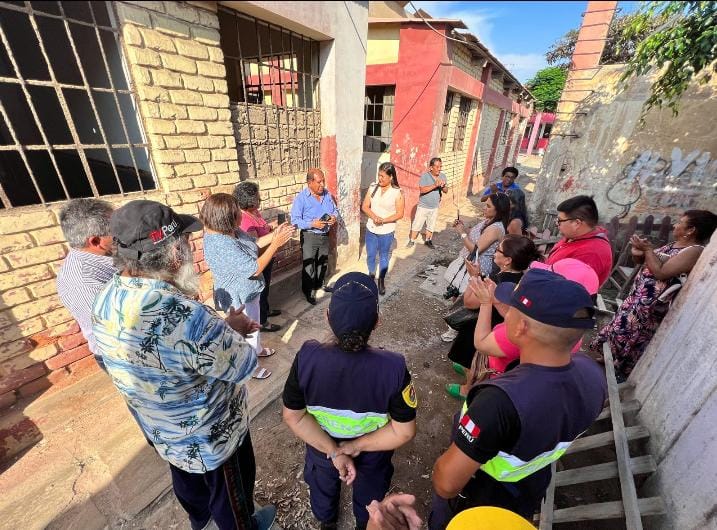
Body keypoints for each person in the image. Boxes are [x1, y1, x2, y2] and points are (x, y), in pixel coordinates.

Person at [92, 200, 276, 530]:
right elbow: (243, 363)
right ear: (176, 254)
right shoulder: (190, 317)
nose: (191, 248)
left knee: (192, 494)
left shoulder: (106, 297)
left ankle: (202, 523)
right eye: (187, 243)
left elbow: (168, 353)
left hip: (165, 433)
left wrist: (220, 329)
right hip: (213, 439)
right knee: (232, 504)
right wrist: (225, 329)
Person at [430, 269, 606, 529]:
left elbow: (446, 484)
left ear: (522, 326)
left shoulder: (499, 401)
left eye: (511, 309)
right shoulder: (592, 374)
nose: (507, 315)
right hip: (525, 492)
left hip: (477, 504)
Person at [282, 272, 417, 530]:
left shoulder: (307, 358)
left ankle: (327, 522)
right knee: (371, 496)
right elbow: (404, 431)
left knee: (322, 485)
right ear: (377, 322)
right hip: (373, 453)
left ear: (328, 317)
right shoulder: (393, 369)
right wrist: (356, 447)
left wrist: (334, 451)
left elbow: (293, 416)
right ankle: (365, 524)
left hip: (322, 448)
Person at [590, 209, 717, 381]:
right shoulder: (674, 245)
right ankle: (610, 359)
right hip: (639, 296)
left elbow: (661, 272)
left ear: (691, 230)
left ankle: (619, 370)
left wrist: (648, 249)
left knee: (635, 335)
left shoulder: (694, 251)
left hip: (651, 304)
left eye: (680, 222)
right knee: (623, 328)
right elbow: (647, 263)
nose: (675, 225)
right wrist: (638, 253)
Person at [202, 193, 294, 380]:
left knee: (254, 326)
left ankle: (257, 349)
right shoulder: (220, 244)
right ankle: (250, 367)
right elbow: (254, 269)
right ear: (225, 217)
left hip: (249, 291)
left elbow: (254, 243)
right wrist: (275, 244)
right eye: (237, 211)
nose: (241, 215)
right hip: (238, 297)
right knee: (245, 332)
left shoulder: (230, 231)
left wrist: (274, 235)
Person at [471, 258, 600, 384]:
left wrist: (485, 303)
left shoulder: (523, 335)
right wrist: (498, 302)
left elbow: (482, 344)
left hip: (497, 377)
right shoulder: (570, 331)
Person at [445, 235, 542, 399]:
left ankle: (468, 388)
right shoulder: (521, 279)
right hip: (499, 326)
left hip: (481, 325)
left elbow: (469, 302)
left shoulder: (499, 281)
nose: (494, 252)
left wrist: (473, 276)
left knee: (473, 358)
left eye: (498, 250)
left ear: (507, 260)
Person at [440, 193, 511, 343]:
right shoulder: (489, 221)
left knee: (467, 298)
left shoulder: (495, 228)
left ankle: (456, 328)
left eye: (488, 206)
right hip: (468, 264)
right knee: (457, 293)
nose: (484, 208)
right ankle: (454, 322)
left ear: (498, 210)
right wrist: (464, 228)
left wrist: (461, 232)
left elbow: (475, 249)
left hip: (477, 267)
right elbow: (475, 238)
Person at [56, 198, 116, 370]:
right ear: (96, 242)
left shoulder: (106, 254)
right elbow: (120, 331)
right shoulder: (83, 283)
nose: (123, 232)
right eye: (116, 229)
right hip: (120, 355)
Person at [234, 181, 283, 332]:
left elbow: (263, 227)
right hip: (261, 260)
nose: (260, 198)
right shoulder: (245, 222)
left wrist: (272, 226)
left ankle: (266, 311)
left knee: (266, 288)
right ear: (249, 201)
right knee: (261, 291)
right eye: (257, 196)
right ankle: (263, 322)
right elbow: (256, 248)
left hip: (268, 257)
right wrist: (276, 239)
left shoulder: (255, 212)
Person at [290, 168, 339, 304]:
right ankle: (309, 291)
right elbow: (295, 220)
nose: (322, 185)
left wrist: (334, 218)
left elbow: (335, 210)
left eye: (323, 181)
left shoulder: (327, 194)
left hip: (324, 234)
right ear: (309, 183)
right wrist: (312, 224)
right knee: (309, 264)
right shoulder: (301, 198)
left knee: (322, 261)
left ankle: (319, 284)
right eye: (319, 182)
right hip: (310, 236)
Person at [546, 195, 613, 286]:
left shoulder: (590, 254)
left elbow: (566, 290)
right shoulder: (576, 235)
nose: (557, 224)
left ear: (577, 223)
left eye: (560, 220)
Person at [362, 162, 405, 295]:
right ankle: (371, 276)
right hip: (371, 229)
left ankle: (381, 280)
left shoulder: (397, 192)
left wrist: (383, 220)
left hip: (386, 231)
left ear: (391, 177)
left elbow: (400, 213)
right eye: (379, 175)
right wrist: (375, 217)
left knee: (384, 256)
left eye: (383, 176)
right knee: (370, 255)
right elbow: (365, 206)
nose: (380, 179)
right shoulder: (373, 187)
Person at [407, 157, 447, 249]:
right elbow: (422, 190)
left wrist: (443, 186)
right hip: (423, 206)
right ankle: (412, 240)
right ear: (431, 167)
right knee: (417, 224)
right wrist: (435, 185)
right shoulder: (425, 176)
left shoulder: (443, 176)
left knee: (431, 225)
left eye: (440, 166)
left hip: (435, 207)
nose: (439, 169)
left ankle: (428, 241)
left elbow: (446, 191)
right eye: (437, 167)